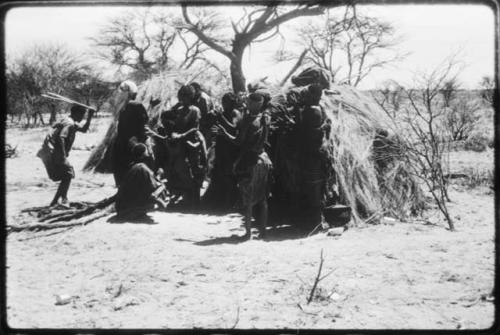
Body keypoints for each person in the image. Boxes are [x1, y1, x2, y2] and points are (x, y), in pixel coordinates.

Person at [217, 91, 272, 240]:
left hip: (250, 162)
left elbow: (238, 141)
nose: (245, 103)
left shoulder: (248, 120)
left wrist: (224, 133)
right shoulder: (265, 118)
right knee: (262, 199)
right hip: (264, 159)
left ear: (254, 104)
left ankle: (247, 233)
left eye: (247, 102)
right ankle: (263, 232)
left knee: (248, 198)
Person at [37, 104, 95, 207]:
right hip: (52, 152)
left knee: (66, 175)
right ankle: (59, 201)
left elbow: (84, 129)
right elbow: (61, 138)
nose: (82, 117)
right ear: (76, 113)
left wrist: (90, 116)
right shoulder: (69, 123)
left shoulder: (69, 121)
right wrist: (63, 156)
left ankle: (59, 200)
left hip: (47, 152)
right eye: (82, 115)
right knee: (68, 173)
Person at [168, 85, 206, 209]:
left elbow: (195, 128)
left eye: (186, 96)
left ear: (191, 97)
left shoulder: (195, 110)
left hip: (192, 143)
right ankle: (186, 198)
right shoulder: (178, 110)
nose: (183, 98)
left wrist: (182, 135)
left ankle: (195, 201)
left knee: (194, 170)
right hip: (180, 144)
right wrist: (174, 134)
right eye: (181, 95)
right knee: (181, 169)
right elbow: (174, 126)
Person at [203, 92, 242, 210]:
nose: (224, 105)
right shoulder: (223, 113)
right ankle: (217, 201)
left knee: (229, 174)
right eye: (223, 102)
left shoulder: (235, 113)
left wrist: (221, 118)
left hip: (231, 148)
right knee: (218, 173)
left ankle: (229, 202)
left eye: (227, 102)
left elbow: (234, 127)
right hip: (221, 146)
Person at [112, 80, 152, 186]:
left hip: (120, 144)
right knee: (147, 161)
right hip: (133, 144)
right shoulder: (137, 105)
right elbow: (144, 123)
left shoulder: (120, 107)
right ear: (133, 94)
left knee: (121, 172)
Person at [115, 143, 166, 219]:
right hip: (129, 210)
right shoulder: (142, 167)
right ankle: (150, 202)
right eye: (147, 150)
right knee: (162, 187)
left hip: (120, 208)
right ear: (143, 154)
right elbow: (153, 185)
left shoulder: (131, 166)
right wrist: (159, 176)